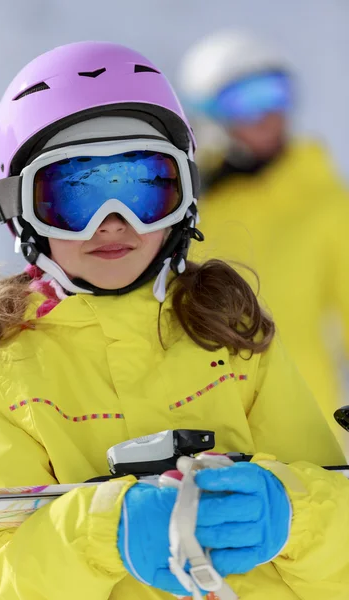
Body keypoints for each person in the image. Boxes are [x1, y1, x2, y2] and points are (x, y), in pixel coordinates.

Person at [0, 41, 348, 600]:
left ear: (183, 199)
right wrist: (102, 534)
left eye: (143, 187)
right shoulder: (8, 380)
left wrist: (295, 516)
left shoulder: (232, 337)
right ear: (22, 211)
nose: (114, 223)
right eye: (75, 196)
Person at [179, 31, 349, 437]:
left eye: (277, 94)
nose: (268, 114)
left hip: (303, 416)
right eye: (246, 101)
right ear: (210, 113)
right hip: (206, 416)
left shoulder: (323, 199)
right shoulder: (190, 201)